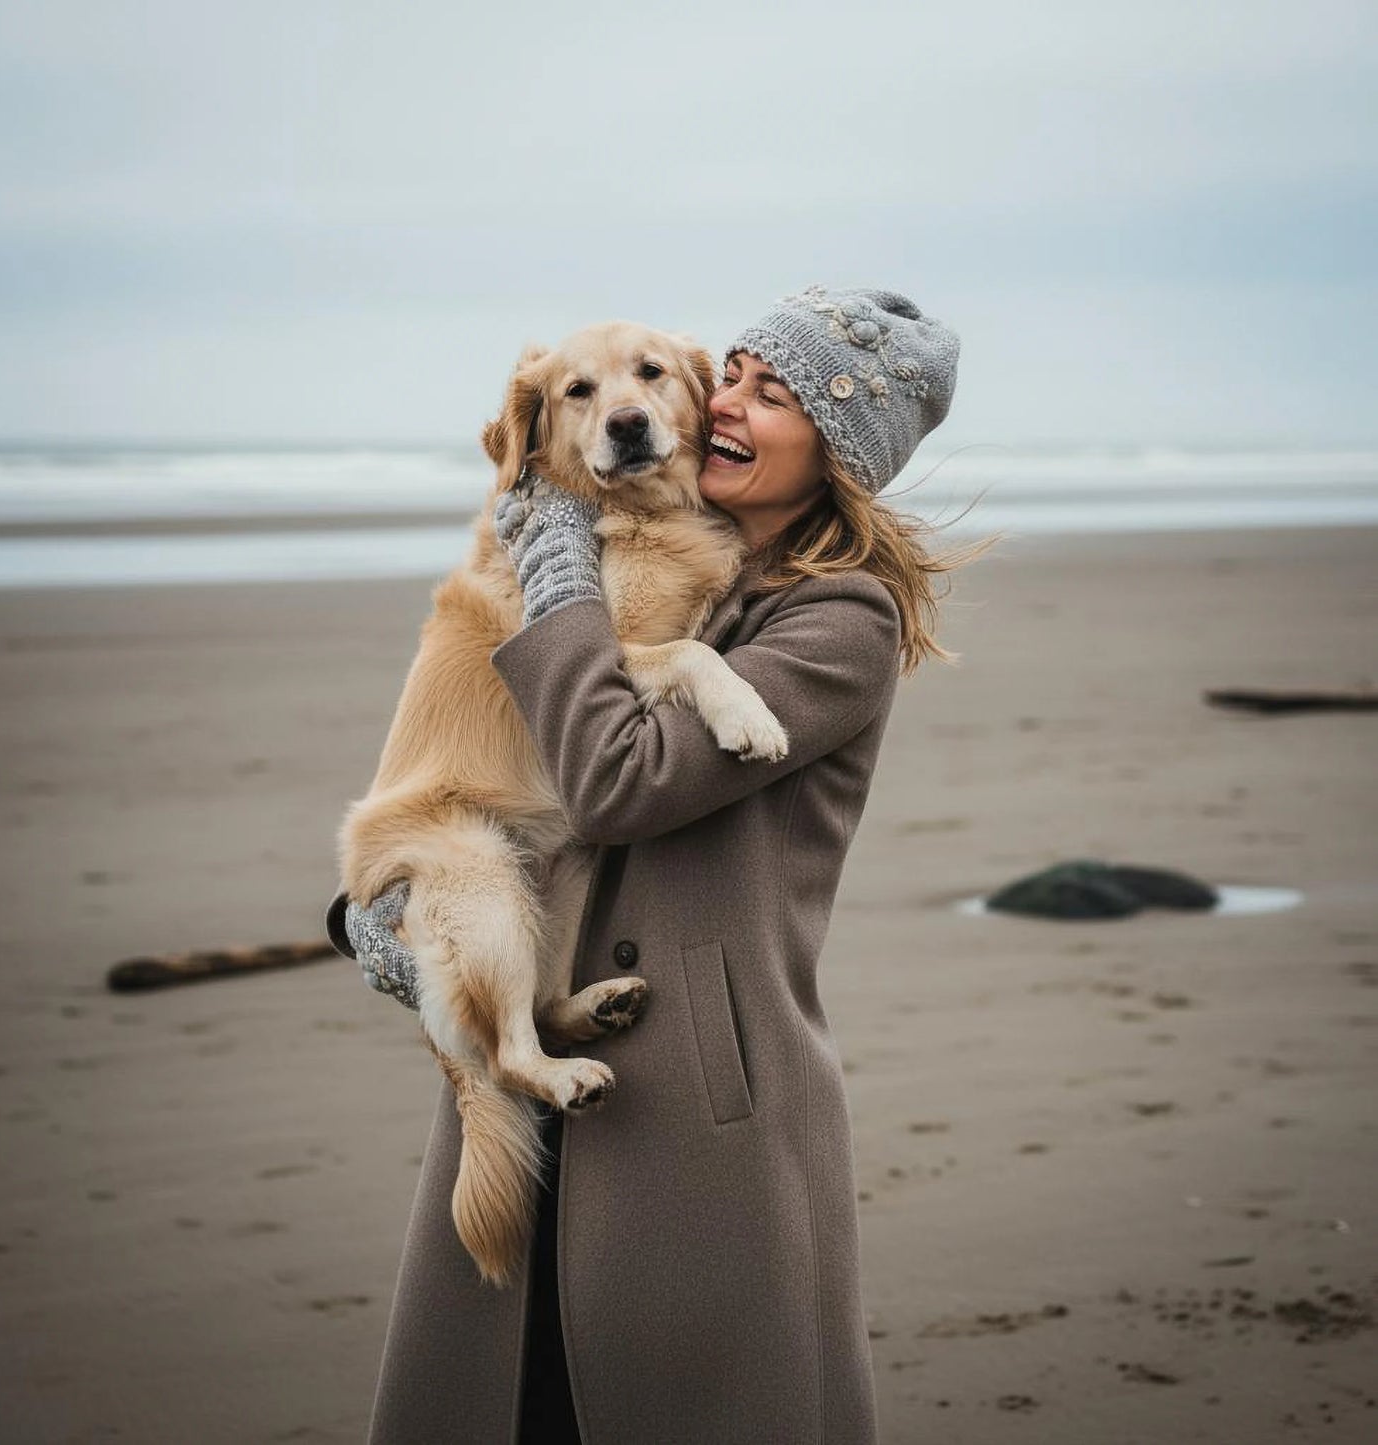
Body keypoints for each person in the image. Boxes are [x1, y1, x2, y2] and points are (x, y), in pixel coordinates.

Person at [328, 285, 997, 1444]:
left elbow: (612, 782)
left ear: (837, 447)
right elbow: (474, 774)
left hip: (696, 1104)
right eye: (730, 372)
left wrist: (559, 581)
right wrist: (365, 920)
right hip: (543, 1048)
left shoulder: (837, 620)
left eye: (770, 393)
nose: (725, 403)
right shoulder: (640, 551)